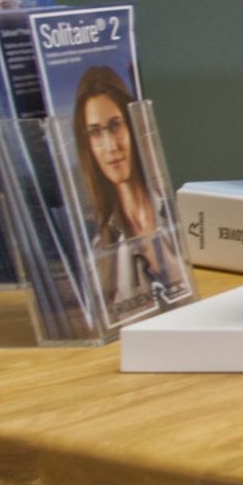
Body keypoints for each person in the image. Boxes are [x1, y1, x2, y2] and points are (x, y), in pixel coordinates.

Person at [72, 63, 190, 317]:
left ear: (133, 124)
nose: (111, 145)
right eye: (95, 133)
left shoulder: (184, 218)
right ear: (88, 145)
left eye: (115, 125)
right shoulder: (100, 255)